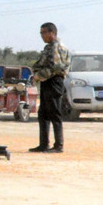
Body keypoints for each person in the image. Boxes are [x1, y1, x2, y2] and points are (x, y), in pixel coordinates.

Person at [30, 22, 70, 153]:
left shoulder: (56, 47)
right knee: (43, 114)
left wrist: (38, 76)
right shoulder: (50, 47)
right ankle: (43, 144)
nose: (42, 36)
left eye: (43, 32)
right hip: (48, 81)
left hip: (53, 81)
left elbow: (55, 67)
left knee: (54, 113)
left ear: (52, 33)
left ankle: (58, 145)